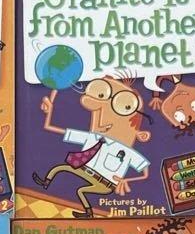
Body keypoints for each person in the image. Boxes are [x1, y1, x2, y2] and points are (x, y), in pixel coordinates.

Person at [33, 77, 152, 217]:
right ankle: (45, 183)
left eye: (125, 107)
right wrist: (49, 111)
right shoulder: (92, 138)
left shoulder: (125, 151)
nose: (101, 115)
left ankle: (88, 213)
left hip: (105, 184)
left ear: (141, 134)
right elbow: (49, 127)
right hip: (85, 170)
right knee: (60, 168)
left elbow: (145, 171)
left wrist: (127, 180)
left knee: (81, 191)